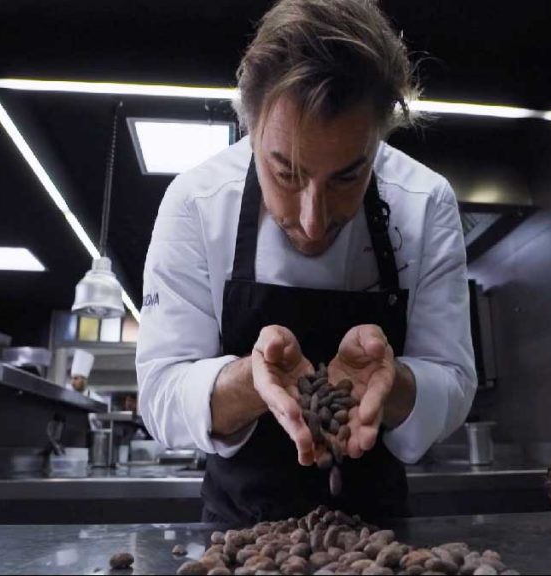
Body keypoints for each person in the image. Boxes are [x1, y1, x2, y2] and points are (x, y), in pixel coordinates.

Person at [136, 0, 477, 524]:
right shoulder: (195, 203)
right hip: (238, 529)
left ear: (380, 136)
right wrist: (251, 381)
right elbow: (159, 394)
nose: (313, 222)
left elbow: (454, 381)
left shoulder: (426, 202)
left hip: (379, 534)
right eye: (286, 174)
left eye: (347, 176)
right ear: (250, 127)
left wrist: (392, 385)